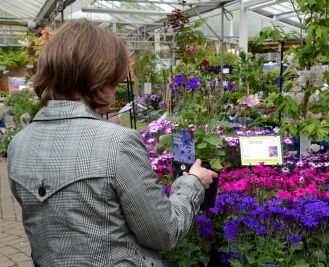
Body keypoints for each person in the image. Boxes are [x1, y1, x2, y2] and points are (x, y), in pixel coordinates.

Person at [7, 19, 217, 267]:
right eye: (114, 80)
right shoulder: (117, 143)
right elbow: (164, 232)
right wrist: (192, 183)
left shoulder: (18, 144)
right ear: (99, 77)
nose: (116, 89)